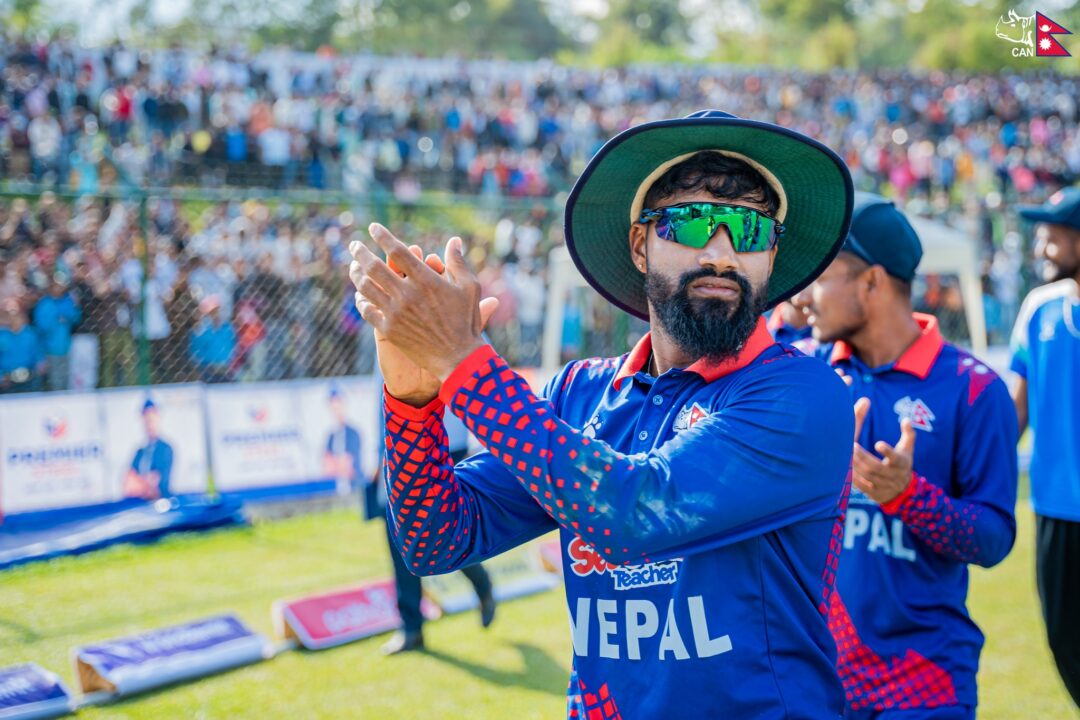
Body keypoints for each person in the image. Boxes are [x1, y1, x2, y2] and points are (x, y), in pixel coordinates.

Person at [349, 110, 857, 715]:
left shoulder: (803, 394)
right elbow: (435, 539)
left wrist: (462, 362)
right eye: (694, 222)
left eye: (751, 230)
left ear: (770, 256)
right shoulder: (581, 392)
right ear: (641, 245)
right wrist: (412, 404)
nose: (723, 253)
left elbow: (631, 514)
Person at [791, 193, 1018, 719]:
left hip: (923, 687)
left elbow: (993, 539)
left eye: (821, 277)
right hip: (814, 684)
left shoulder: (974, 389)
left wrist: (907, 496)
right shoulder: (802, 376)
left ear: (871, 282)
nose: (803, 296)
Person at [365, 363, 497, 656]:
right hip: (400, 444)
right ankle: (411, 628)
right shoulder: (384, 336)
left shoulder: (454, 328)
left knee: (449, 533)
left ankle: (481, 582)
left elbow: (479, 372)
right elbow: (382, 392)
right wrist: (379, 453)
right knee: (400, 539)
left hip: (446, 443)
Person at [1009, 186, 1080, 707]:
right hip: (1057, 509)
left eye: (1053, 236)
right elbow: (1015, 410)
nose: (1042, 247)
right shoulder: (1040, 307)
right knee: (1066, 641)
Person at [123, 398, 175, 500]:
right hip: (140, 505)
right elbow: (128, 484)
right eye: (146, 419)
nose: (149, 423)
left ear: (158, 418)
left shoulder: (165, 449)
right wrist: (143, 483)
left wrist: (139, 483)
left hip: (160, 503)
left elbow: (156, 484)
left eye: (151, 419)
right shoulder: (140, 452)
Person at [323, 386, 363, 497]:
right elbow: (327, 466)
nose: (336, 409)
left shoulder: (353, 433)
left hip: (354, 486)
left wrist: (337, 464)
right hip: (336, 488)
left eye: (338, 403)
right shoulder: (331, 436)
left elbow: (348, 465)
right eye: (333, 405)